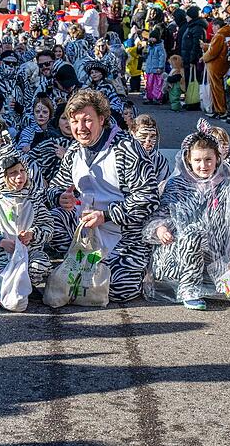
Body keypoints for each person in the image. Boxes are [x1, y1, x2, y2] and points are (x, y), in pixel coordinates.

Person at [47, 89, 159, 302]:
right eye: (75, 121)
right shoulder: (73, 151)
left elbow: (148, 196)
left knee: (115, 289)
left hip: (123, 232)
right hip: (84, 229)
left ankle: (139, 267)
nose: (80, 128)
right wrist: (60, 197)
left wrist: (106, 215)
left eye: (87, 120)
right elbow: (55, 186)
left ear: (101, 119)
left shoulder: (127, 148)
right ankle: (79, 262)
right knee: (52, 220)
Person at [146, 130, 230, 310]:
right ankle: (189, 288)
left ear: (217, 159)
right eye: (198, 160)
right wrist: (160, 229)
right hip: (178, 254)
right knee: (194, 233)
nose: (203, 165)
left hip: (216, 254)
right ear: (188, 160)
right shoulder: (176, 184)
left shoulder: (228, 186)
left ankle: (208, 282)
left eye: (208, 159)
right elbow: (160, 213)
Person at [0, 135, 53, 285]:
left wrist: (33, 234)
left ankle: (27, 286)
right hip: (0, 254)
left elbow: (48, 226)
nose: (19, 177)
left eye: (22, 171)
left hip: (29, 253)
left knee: (38, 266)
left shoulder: (34, 200)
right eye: (12, 173)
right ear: (2, 176)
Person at [131, 113, 170, 188]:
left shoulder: (160, 160)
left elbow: (163, 186)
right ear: (133, 134)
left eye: (152, 136)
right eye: (144, 135)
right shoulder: (123, 156)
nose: (148, 140)